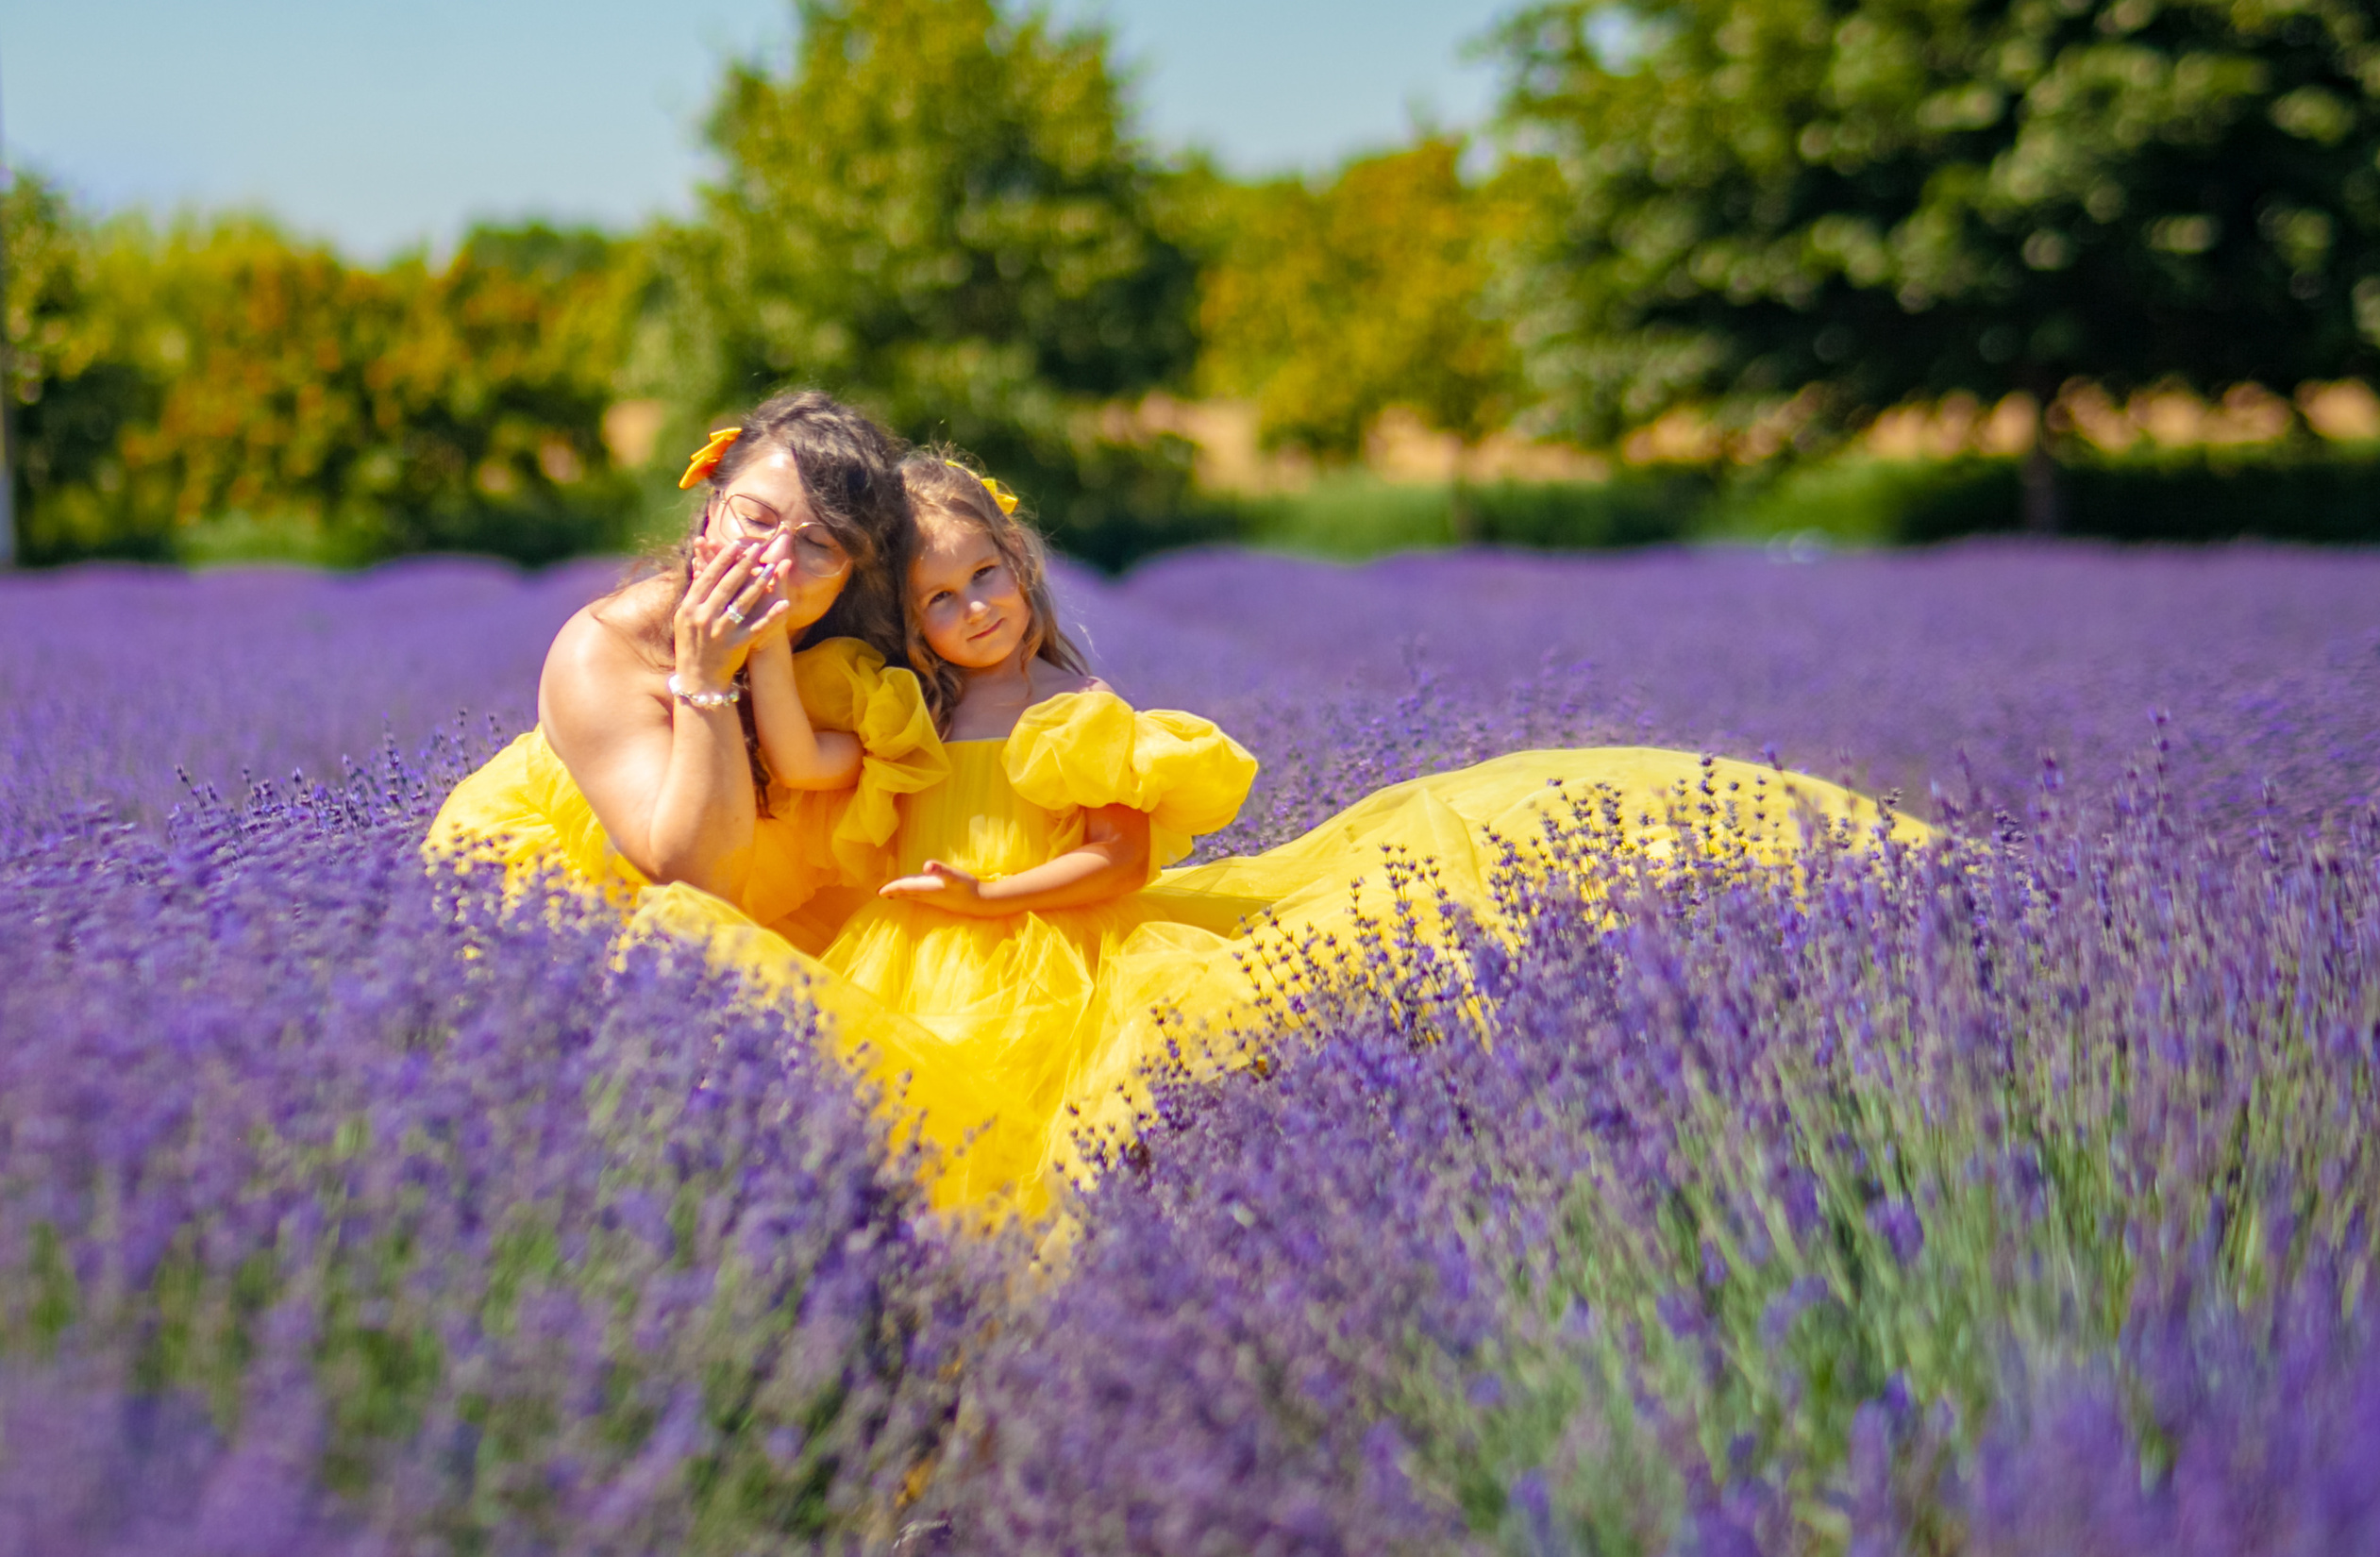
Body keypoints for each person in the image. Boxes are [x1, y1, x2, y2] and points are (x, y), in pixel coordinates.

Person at [637, 454, 1929, 1221]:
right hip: (911, 957)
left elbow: (1126, 862)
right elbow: (806, 762)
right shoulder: (900, 706)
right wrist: (747, 647)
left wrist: (996, 892)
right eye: (946, 598)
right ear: (911, 626)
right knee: (901, 1134)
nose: (980, 609)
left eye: (995, 579)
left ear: (1026, 574)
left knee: (1044, 1152)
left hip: (1046, 954)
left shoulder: (1068, 711)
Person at [427, 391, 947, 951]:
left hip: (770, 916)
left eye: (819, 544)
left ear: (853, 573)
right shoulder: (606, 649)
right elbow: (694, 880)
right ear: (711, 508)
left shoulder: (853, 652)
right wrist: (706, 680)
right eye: (755, 518)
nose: (774, 560)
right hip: (570, 917)